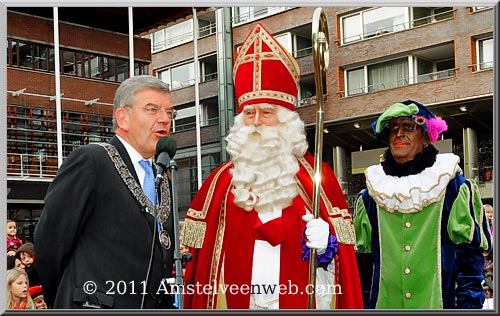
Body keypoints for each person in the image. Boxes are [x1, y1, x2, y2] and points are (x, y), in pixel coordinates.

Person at [181, 23, 363, 309]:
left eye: (266, 113)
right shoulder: (219, 181)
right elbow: (197, 262)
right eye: (249, 113)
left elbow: (345, 258)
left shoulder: (318, 177)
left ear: (286, 120)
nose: (255, 122)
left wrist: (328, 242)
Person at [34, 75, 176, 309]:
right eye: (152, 110)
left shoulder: (162, 174)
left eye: (169, 112)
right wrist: (69, 299)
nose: (164, 119)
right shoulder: (92, 161)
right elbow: (50, 241)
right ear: (123, 118)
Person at [353, 100, 491, 309]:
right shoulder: (369, 195)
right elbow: (363, 265)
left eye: (408, 126)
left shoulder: (453, 186)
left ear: (425, 136)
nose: (399, 133)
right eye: (394, 128)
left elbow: (469, 261)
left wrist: (467, 307)